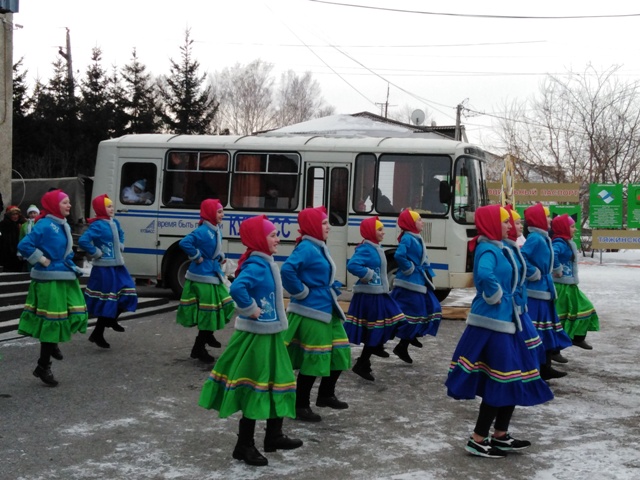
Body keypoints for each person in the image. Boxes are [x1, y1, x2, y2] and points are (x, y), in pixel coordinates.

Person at [446, 204, 554, 458]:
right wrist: (495, 295)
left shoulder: (503, 247)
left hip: (510, 320)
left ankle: (501, 434)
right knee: (502, 379)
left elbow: (515, 277)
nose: (511, 225)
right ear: (493, 224)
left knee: (515, 377)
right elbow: (483, 275)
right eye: (505, 221)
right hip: (492, 324)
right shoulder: (487, 249)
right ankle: (477, 438)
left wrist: (516, 300)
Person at [198, 215, 302, 467]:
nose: (278, 238)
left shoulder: (265, 262)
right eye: (273, 234)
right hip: (257, 337)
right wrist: (250, 308)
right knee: (254, 387)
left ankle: (273, 436)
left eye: (277, 234)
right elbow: (236, 289)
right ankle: (244, 445)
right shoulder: (257, 265)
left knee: (278, 382)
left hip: (271, 334)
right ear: (258, 239)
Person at [281, 206, 351, 422]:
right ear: (312, 226)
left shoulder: (318, 246)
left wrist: (330, 285)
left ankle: (326, 395)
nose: (328, 226)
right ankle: (300, 405)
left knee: (341, 351)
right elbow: (287, 270)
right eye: (323, 223)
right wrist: (302, 291)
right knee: (314, 358)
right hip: (311, 310)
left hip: (326, 307)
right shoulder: (307, 248)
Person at [17, 190, 89, 386]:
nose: (69, 205)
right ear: (54, 205)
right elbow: (25, 245)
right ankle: (43, 366)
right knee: (52, 322)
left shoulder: (62, 224)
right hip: (49, 279)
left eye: (69, 202)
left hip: (65, 275)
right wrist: (42, 259)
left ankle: (53, 344)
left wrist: (70, 264)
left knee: (77, 312)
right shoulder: (45, 225)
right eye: (65, 202)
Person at [344, 216, 405, 381]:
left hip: (379, 293)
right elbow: (352, 265)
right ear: (370, 232)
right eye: (379, 229)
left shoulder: (375, 247)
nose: (383, 232)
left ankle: (374, 349)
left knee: (396, 319)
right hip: (370, 296)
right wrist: (368, 275)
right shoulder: (365, 248)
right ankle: (364, 362)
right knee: (380, 326)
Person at [176, 199, 235, 363]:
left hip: (212, 273)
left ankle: (207, 336)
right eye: (219, 211)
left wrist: (219, 257)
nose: (222, 214)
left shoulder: (215, 230)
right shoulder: (203, 230)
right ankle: (198, 347)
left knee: (226, 303)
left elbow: (212, 250)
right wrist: (196, 256)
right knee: (209, 312)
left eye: (222, 211)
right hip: (202, 276)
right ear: (210, 213)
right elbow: (184, 242)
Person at [78, 194, 138, 349]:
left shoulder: (115, 222)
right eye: (108, 206)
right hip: (104, 268)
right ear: (100, 209)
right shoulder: (97, 225)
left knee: (129, 292)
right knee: (109, 300)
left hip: (118, 266)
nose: (112, 209)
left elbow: (122, 234)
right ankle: (99, 332)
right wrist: (96, 252)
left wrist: (121, 245)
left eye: (112, 206)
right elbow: (83, 241)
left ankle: (108, 322)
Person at [521, 203, 573, 379]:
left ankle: (545, 367)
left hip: (544, 289)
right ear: (539, 219)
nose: (550, 219)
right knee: (538, 331)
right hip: (535, 293)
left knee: (545, 330)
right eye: (547, 216)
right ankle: (536, 369)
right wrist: (533, 272)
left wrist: (554, 268)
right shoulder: (535, 238)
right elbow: (522, 258)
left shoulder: (543, 237)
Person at [390, 208, 442, 364]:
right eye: (419, 219)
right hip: (409, 283)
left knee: (432, 308)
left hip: (419, 281)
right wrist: (409, 268)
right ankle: (393, 343)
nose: (422, 222)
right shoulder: (408, 238)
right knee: (414, 314)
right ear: (411, 223)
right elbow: (399, 255)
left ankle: (409, 338)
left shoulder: (416, 237)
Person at [504, 206, 546, 367]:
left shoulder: (512, 245)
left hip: (519, 301)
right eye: (516, 222)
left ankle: (538, 369)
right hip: (510, 303)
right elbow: (488, 275)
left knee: (531, 341)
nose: (521, 226)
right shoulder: (502, 248)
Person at [551, 214, 599, 350]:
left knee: (584, 307)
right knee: (561, 316)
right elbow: (553, 253)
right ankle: (555, 349)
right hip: (561, 285)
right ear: (563, 228)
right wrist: (557, 268)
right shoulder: (559, 242)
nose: (575, 229)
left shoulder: (566, 242)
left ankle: (577, 338)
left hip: (570, 284)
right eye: (572, 227)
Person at [0, 205, 25, 272]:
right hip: (7, 253)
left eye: (16, 214)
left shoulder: (22, 224)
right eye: (13, 214)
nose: (15, 216)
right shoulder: (3, 225)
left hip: (19, 252)